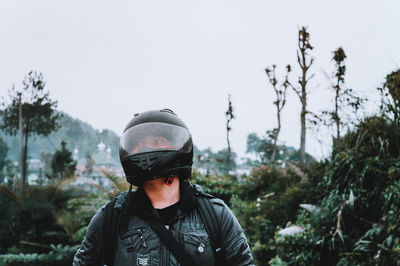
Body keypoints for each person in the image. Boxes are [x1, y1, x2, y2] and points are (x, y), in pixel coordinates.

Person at [73, 109, 254, 266]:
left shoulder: (214, 214)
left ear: (179, 146)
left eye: (158, 141)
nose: (147, 149)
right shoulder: (112, 216)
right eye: (139, 144)